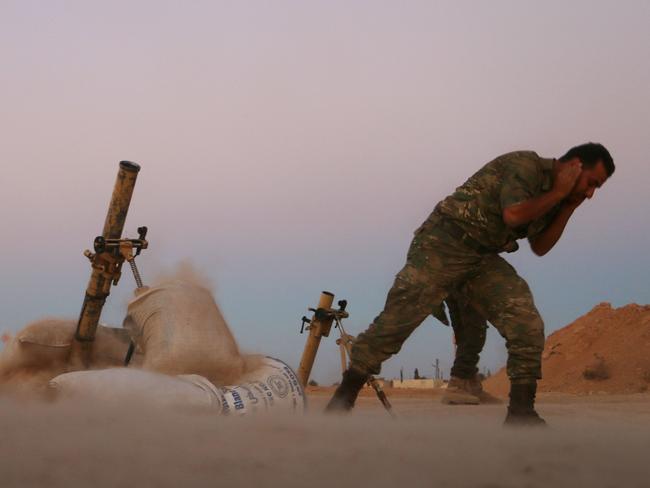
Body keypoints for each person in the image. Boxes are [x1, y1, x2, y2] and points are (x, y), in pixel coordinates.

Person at [326, 143, 615, 425]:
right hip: (444, 244)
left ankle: (521, 413)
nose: (590, 193)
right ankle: (342, 401)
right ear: (574, 166)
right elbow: (513, 214)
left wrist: (568, 206)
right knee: (395, 324)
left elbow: (540, 246)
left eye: (596, 188)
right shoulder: (526, 165)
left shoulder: (556, 198)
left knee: (525, 321)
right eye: (591, 183)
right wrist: (558, 193)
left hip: (480, 257)